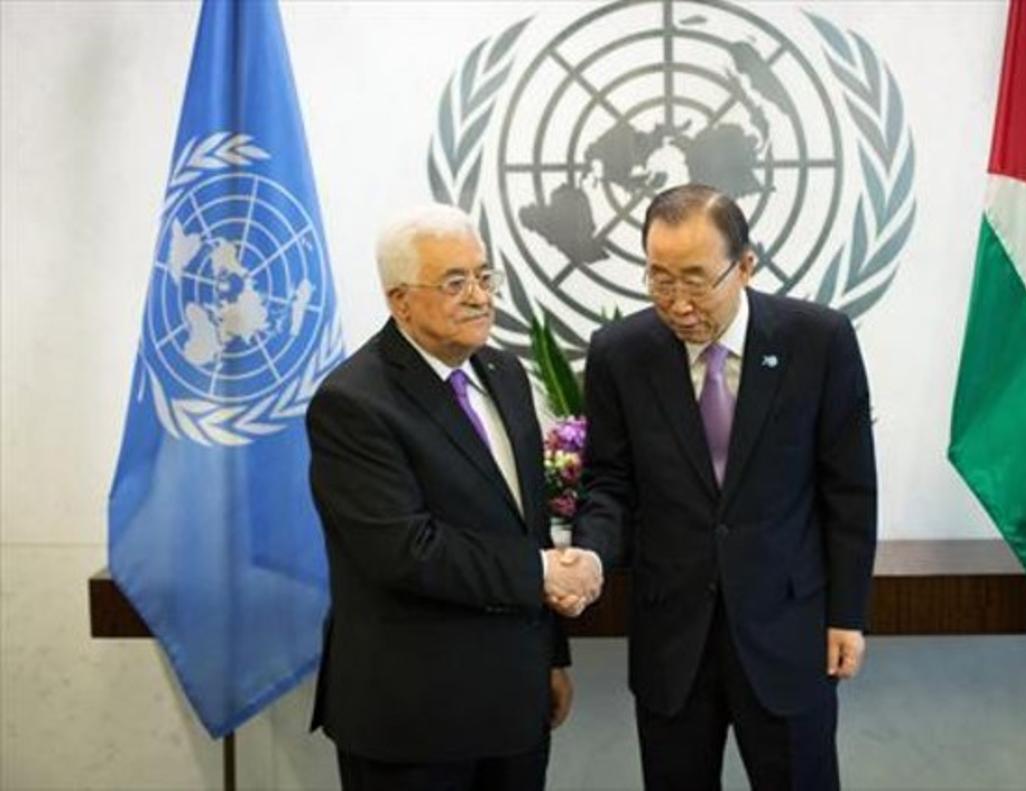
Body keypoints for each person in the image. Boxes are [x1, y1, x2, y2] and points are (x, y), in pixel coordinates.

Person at [571, 184, 877, 790]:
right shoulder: (620, 353)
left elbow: (849, 490)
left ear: (745, 266)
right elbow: (608, 481)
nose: (678, 304)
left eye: (695, 280)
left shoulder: (818, 340)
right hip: (672, 639)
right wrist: (591, 555)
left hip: (788, 631)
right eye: (659, 280)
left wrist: (847, 614)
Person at [306, 204, 602, 791]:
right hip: (413, 719)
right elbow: (405, 549)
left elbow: (526, 526)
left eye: (485, 276)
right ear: (400, 301)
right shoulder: (354, 402)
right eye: (454, 282)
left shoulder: (505, 373)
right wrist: (541, 572)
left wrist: (551, 657)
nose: (479, 297)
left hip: (515, 704)